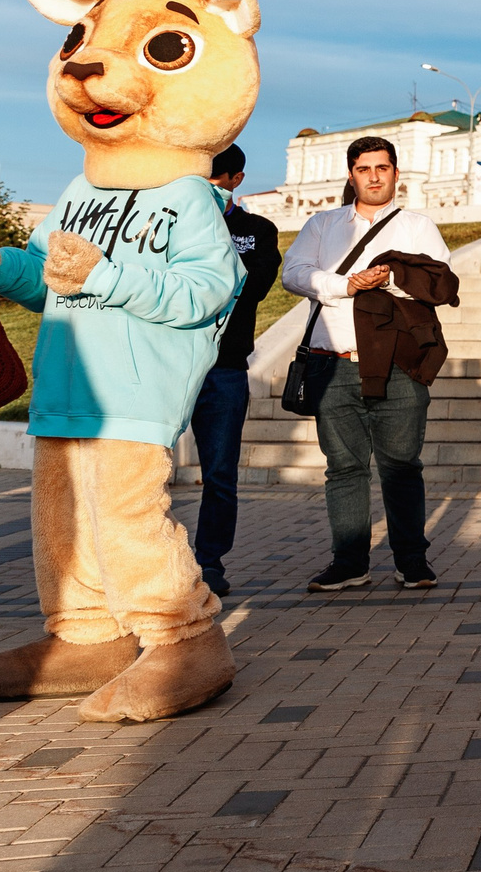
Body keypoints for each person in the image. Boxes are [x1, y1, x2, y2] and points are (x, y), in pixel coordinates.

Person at [282, 136, 457, 592]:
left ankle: (411, 560)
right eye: (364, 169)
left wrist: (391, 278)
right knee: (344, 467)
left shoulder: (417, 226)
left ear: (396, 173)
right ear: (351, 174)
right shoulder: (322, 225)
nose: (374, 177)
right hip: (333, 366)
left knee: (401, 466)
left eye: (382, 168)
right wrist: (345, 285)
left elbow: (440, 281)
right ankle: (349, 562)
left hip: (399, 366)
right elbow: (293, 273)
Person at [185, 143, 279, 598]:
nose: (208, 186)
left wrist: (213, 234)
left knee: (219, 473)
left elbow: (253, 286)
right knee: (143, 469)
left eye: (216, 179)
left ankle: (210, 561)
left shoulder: (257, 230)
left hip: (224, 369)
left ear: (236, 180)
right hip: (170, 364)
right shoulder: (174, 222)